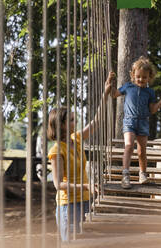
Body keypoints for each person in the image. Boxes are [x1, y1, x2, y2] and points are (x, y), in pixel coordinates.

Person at [47, 72, 114, 241]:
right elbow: (58, 184)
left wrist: (105, 95)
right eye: (70, 120)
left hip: (85, 201)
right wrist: (86, 186)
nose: (74, 122)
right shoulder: (56, 151)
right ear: (60, 125)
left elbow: (97, 122)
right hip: (68, 206)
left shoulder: (75, 139)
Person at [107, 56, 161, 189]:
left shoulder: (150, 92)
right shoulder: (128, 87)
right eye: (138, 76)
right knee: (128, 145)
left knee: (141, 151)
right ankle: (126, 175)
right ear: (133, 75)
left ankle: (143, 174)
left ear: (149, 77)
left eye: (144, 77)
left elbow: (152, 110)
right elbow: (114, 94)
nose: (141, 79)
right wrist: (109, 82)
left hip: (143, 123)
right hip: (129, 121)